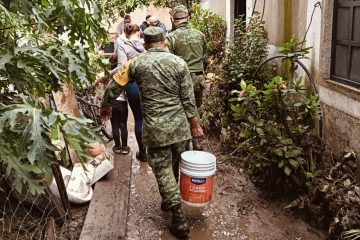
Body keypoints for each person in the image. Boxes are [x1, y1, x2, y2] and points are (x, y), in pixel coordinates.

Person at [101, 27, 205, 239]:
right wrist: (195, 125)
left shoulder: (136, 63)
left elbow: (114, 86)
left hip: (156, 129)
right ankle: (170, 200)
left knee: (163, 170)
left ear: (145, 45)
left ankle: (179, 220)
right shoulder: (179, 63)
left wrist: (106, 106)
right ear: (165, 42)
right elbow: (188, 99)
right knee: (174, 166)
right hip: (180, 128)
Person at [166, 5, 207, 150]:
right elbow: (205, 58)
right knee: (196, 108)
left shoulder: (171, 38)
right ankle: (197, 142)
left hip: (181, 79)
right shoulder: (200, 35)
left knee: (182, 110)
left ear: (173, 20)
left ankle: (183, 145)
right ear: (188, 18)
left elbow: (168, 61)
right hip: (199, 78)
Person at [118, 23, 147, 161]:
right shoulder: (145, 46)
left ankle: (142, 152)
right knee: (149, 117)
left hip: (132, 86)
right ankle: (153, 150)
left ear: (125, 34)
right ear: (139, 32)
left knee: (139, 118)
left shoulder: (124, 46)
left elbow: (122, 69)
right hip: (148, 84)